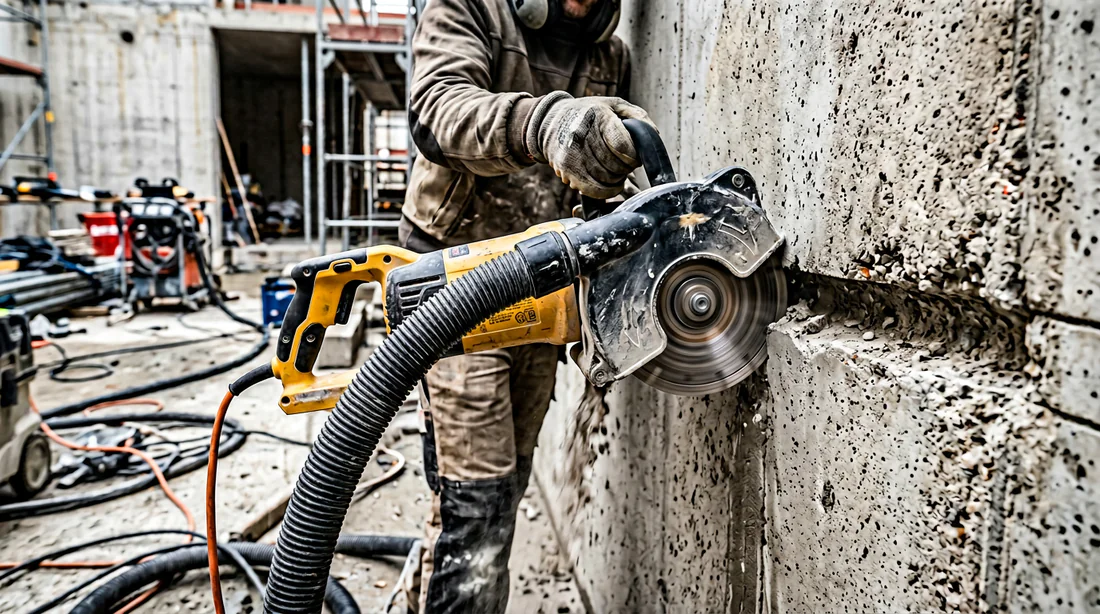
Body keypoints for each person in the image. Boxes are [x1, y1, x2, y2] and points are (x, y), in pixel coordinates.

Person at [398, 0, 653, 611]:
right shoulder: (469, 9)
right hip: (456, 282)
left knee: (504, 484)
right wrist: (543, 124)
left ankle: (428, 583)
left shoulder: (607, 56)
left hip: (542, 293)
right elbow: (437, 111)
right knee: (478, 504)